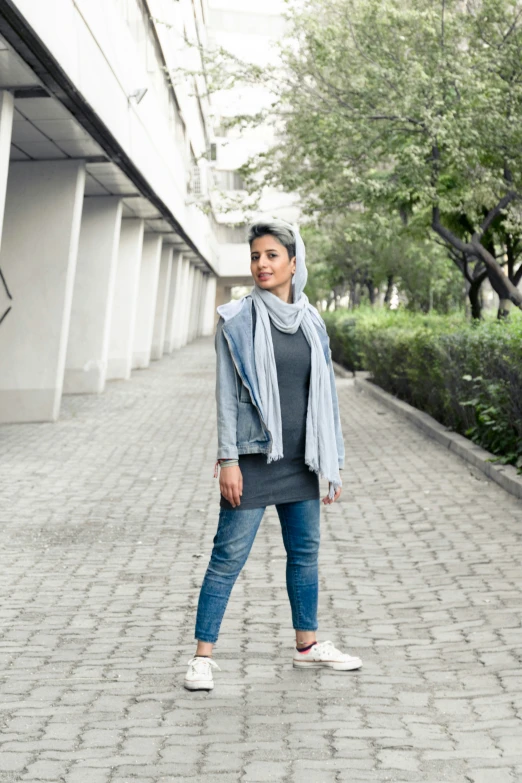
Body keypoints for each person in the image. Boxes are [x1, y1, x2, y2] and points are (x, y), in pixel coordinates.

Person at [184, 218, 362, 691]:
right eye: (256, 256)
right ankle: (202, 657)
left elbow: (324, 398)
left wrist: (333, 461)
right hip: (254, 457)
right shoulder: (236, 321)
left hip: (301, 459)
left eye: (271, 256)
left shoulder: (311, 322)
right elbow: (226, 396)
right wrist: (227, 460)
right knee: (227, 558)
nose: (262, 264)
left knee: (304, 554)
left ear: (293, 263)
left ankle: (307, 646)